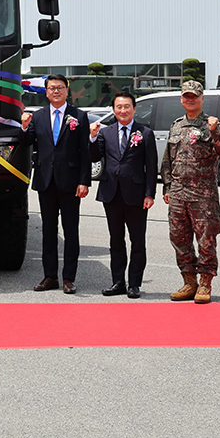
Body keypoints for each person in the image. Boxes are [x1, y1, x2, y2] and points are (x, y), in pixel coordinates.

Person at [159, 80, 220, 304]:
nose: (190, 99)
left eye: (195, 96)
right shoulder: (176, 125)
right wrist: (168, 186)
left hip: (203, 195)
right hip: (179, 193)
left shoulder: (211, 124)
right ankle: (189, 281)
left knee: (206, 240)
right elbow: (168, 159)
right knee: (179, 238)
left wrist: (214, 132)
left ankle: (205, 283)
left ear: (202, 99)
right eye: (186, 96)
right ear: (182, 99)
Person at [18, 74, 91, 294]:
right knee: (48, 231)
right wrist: (23, 127)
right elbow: (26, 142)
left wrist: (84, 181)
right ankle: (50, 277)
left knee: (71, 231)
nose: (56, 91)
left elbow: (84, 152)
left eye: (60, 88)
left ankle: (68, 278)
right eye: (51, 88)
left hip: (70, 182)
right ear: (46, 92)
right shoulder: (38, 117)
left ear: (67, 90)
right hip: (46, 180)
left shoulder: (79, 116)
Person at [89, 91, 156, 299]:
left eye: (127, 106)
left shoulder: (144, 133)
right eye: (119, 107)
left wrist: (149, 194)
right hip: (111, 193)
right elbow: (94, 156)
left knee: (137, 240)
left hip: (136, 194)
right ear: (114, 110)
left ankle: (134, 284)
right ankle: (118, 281)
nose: (123, 110)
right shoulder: (105, 132)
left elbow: (151, 167)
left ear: (134, 109)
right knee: (116, 240)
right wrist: (92, 138)